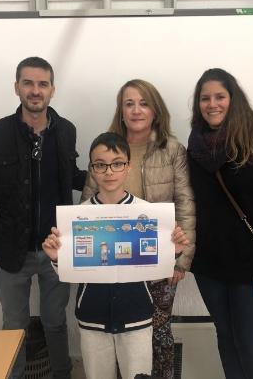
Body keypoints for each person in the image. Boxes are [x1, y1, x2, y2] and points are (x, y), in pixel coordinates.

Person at [0, 56, 86, 379]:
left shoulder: (66, 130)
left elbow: (71, 176)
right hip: (10, 251)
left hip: (56, 249)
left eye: (42, 84)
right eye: (28, 83)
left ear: (52, 90)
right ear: (16, 87)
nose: (35, 90)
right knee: (14, 325)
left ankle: (61, 374)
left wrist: (107, 176)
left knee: (55, 321)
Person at [42, 132, 190, 379]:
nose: (109, 172)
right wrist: (57, 257)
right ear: (92, 170)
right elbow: (69, 272)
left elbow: (158, 269)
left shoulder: (147, 214)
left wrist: (173, 251)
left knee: (138, 375)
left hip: (137, 316)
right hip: (92, 317)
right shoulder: (78, 217)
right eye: (100, 165)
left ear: (128, 167)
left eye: (117, 163)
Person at [81, 79, 196, 379]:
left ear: (155, 110)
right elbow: (87, 208)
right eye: (129, 104)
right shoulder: (106, 148)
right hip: (112, 263)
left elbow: (185, 204)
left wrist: (180, 260)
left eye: (144, 103)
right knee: (118, 335)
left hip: (159, 259)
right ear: (121, 110)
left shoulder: (172, 150)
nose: (136, 110)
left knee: (158, 334)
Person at [187, 68, 253, 379]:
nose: (212, 104)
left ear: (233, 99)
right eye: (205, 98)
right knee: (226, 335)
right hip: (209, 265)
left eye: (220, 96)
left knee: (250, 341)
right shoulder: (195, 147)